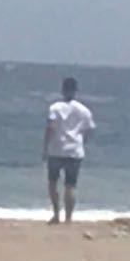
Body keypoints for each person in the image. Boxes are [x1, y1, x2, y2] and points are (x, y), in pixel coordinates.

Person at [43, 76, 96, 224]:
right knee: (70, 185)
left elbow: (50, 128)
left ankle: (56, 214)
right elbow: (90, 129)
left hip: (56, 149)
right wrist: (82, 141)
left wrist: (45, 147)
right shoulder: (84, 110)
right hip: (74, 151)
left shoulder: (55, 108)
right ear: (75, 91)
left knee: (53, 182)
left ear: (62, 89)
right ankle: (68, 218)